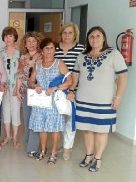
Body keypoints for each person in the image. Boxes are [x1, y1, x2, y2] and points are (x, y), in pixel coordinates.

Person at [68, 26, 127, 172]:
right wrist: (71, 90)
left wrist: (119, 96)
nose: (95, 39)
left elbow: (123, 76)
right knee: (87, 129)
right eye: (92, 36)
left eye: (98, 36)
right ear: (88, 39)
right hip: (83, 99)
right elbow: (75, 75)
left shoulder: (113, 54)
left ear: (104, 38)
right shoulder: (82, 56)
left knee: (101, 131)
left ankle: (98, 158)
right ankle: (88, 155)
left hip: (105, 102)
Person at [28, 37, 72, 164]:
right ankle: (43, 150)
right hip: (40, 101)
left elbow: (70, 81)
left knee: (54, 128)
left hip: (54, 101)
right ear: (41, 50)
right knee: (41, 127)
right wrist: (35, 85)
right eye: (46, 48)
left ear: (55, 50)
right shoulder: (38, 65)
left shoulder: (59, 63)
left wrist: (55, 88)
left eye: (51, 48)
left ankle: (53, 152)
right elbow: (30, 81)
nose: (49, 51)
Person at [55, 22, 85, 160]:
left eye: (70, 33)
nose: (67, 35)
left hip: (73, 90)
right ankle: (63, 143)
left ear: (75, 34)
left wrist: (72, 89)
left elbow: (81, 71)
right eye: (64, 33)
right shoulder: (55, 48)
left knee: (70, 119)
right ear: (61, 34)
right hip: (58, 89)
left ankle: (67, 147)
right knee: (59, 118)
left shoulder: (80, 49)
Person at [16, 31, 44, 157]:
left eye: (34, 41)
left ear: (38, 43)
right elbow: (20, 76)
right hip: (25, 92)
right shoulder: (22, 58)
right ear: (25, 44)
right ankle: (29, 144)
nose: (31, 44)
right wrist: (17, 91)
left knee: (36, 120)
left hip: (38, 92)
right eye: (29, 41)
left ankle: (33, 148)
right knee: (27, 120)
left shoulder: (43, 56)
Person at [0, 26, 21, 149]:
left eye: (11, 36)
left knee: (16, 112)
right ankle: (8, 136)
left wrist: (17, 88)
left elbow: (22, 71)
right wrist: (1, 84)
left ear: (15, 38)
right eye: (6, 36)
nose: (8, 38)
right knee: (5, 112)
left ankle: (15, 137)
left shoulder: (20, 52)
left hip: (16, 88)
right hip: (3, 87)